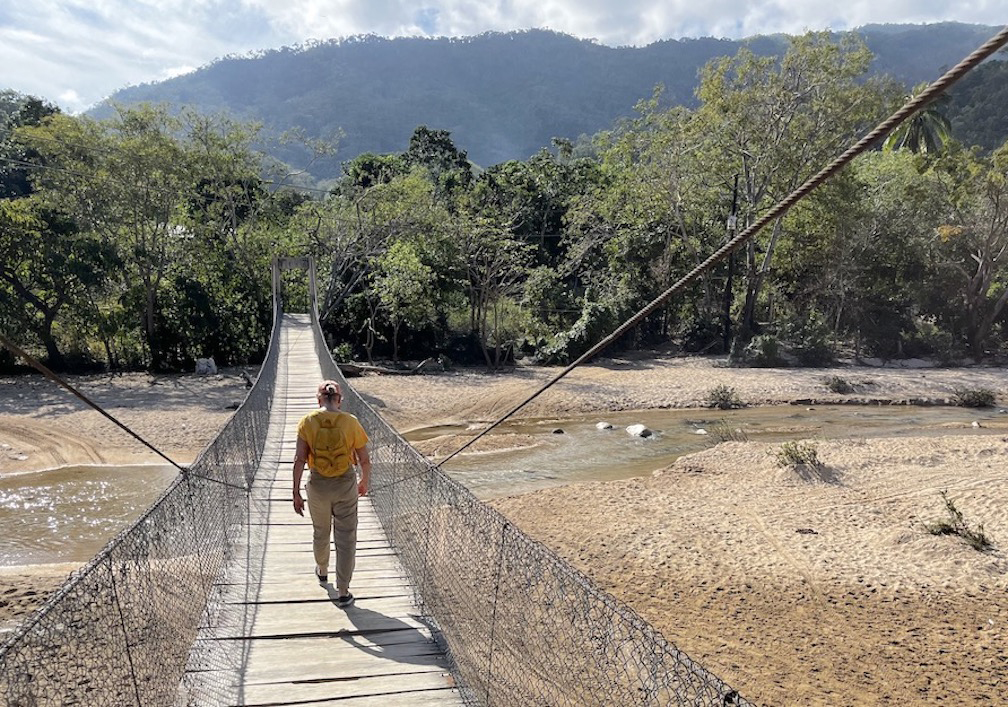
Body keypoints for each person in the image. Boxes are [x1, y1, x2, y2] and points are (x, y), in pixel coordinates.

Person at [293, 380, 371, 608]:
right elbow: (364, 459)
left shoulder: (307, 422)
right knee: (346, 537)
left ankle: (323, 570)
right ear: (339, 399)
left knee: (321, 530)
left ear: (319, 399)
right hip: (345, 483)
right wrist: (364, 480)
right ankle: (344, 591)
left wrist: (295, 491)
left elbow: (299, 459)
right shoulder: (350, 422)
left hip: (317, 484)